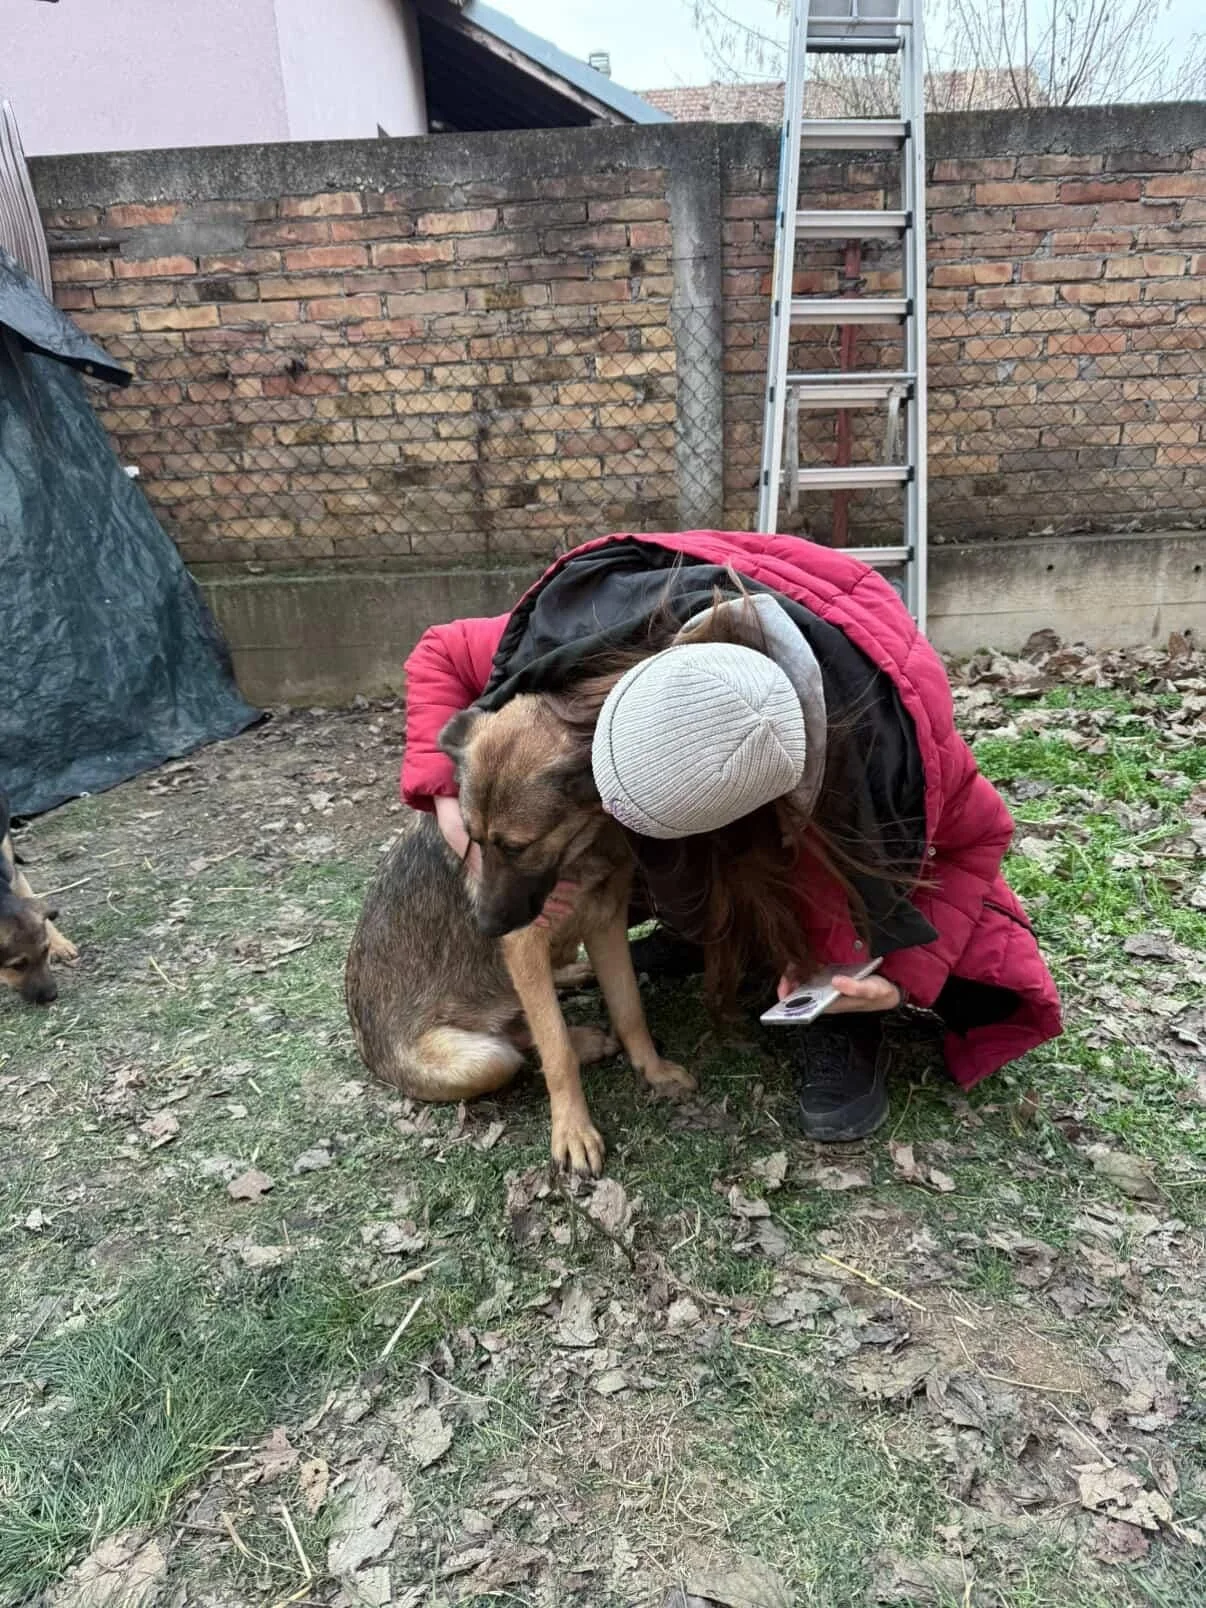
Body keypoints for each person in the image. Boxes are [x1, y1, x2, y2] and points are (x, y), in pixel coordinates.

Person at [400, 529, 1062, 1141]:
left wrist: (903, 980)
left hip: (830, 825)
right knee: (618, 875)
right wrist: (448, 800)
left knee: (845, 916)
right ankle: (708, 927)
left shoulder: (894, 761)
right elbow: (440, 650)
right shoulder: (593, 635)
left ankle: (841, 1018)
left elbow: (977, 843)